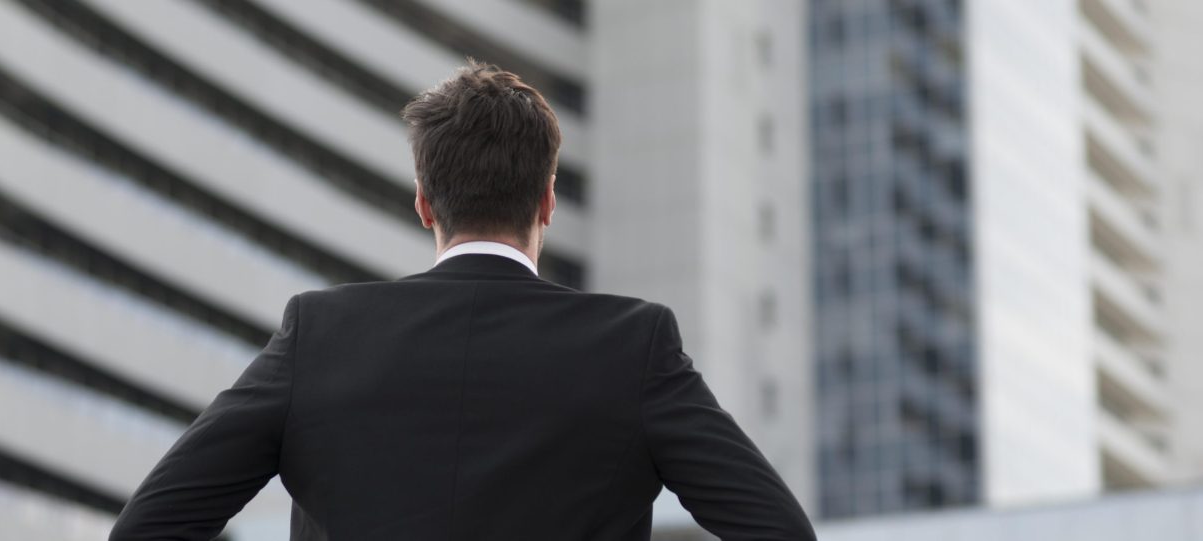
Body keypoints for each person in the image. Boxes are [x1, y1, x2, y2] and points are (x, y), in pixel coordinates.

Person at [109, 60, 815, 541]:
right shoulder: (635, 345)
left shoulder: (318, 335)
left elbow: (147, 527)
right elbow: (780, 530)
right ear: (547, 201)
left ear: (424, 203)